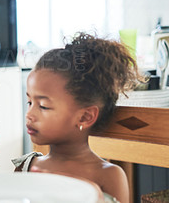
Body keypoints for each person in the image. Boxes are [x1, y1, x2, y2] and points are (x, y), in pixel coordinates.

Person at [12, 32, 144, 203]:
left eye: (43, 106)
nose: (29, 114)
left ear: (85, 117)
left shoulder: (108, 175)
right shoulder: (27, 167)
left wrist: (93, 194)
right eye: (29, 102)